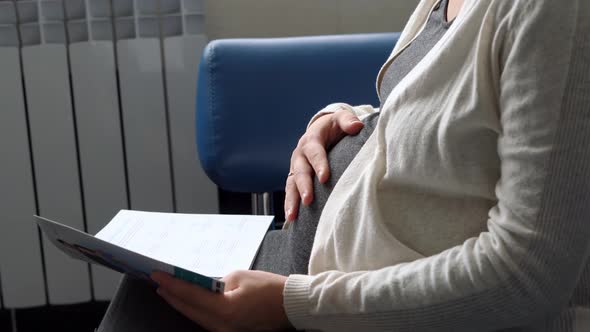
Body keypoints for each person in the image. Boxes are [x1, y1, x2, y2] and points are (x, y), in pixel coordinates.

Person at [98, 0, 590, 331]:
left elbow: (530, 275)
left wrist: (293, 306)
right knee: (145, 289)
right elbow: (455, 121)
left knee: (148, 308)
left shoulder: (552, 13)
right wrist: (345, 119)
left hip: (349, 307)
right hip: (304, 272)